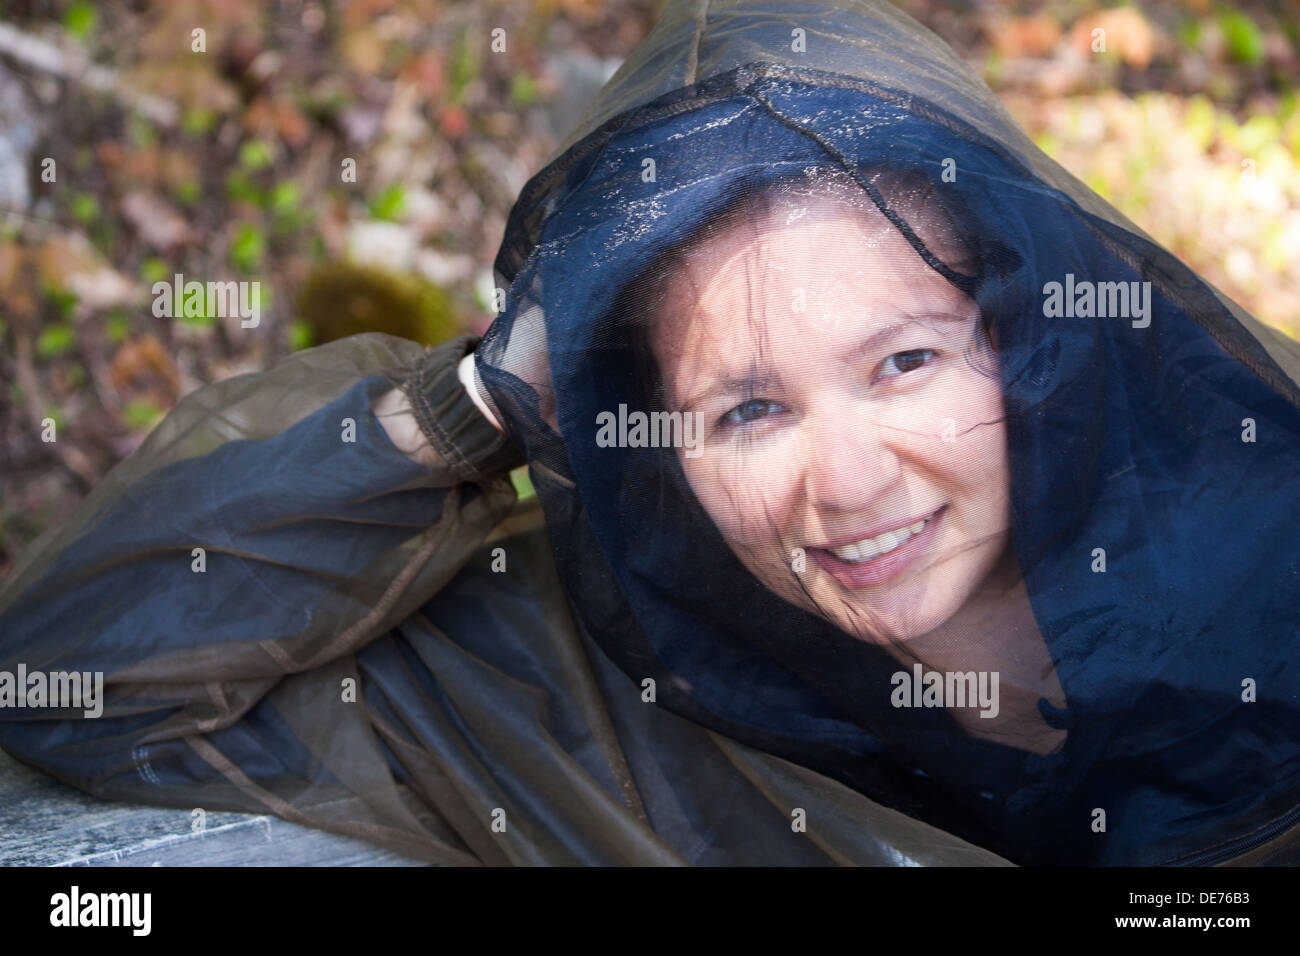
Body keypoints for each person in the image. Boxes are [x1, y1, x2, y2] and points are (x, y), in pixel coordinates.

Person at [4, 0, 1300, 866]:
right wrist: (469, 405)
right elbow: (77, 677)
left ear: (1027, 331)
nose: (845, 482)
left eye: (903, 363)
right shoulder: (580, 682)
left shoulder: (1261, 553)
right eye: (748, 408)